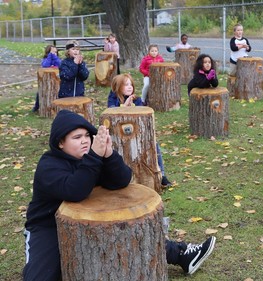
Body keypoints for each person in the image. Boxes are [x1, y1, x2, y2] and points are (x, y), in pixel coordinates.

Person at [23, 110, 216, 280]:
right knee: (41, 275)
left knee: (129, 232)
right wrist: (95, 157)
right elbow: (75, 190)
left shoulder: (91, 158)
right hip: (47, 226)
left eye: (86, 136)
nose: (84, 140)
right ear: (60, 143)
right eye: (76, 137)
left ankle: (181, 254)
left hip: (90, 219)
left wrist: (108, 155)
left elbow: (121, 180)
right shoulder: (49, 165)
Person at [107, 73, 173, 187]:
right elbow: (111, 111)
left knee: (155, 145)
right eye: (126, 84)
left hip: (139, 134)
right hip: (119, 136)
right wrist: (124, 107)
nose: (129, 87)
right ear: (117, 87)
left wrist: (132, 106)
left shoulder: (136, 99)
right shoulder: (113, 98)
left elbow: (141, 113)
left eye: (131, 84)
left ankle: (161, 175)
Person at [32, 45, 61, 112]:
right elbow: (45, 65)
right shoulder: (45, 60)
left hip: (57, 82)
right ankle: (37, 106)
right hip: (47, 82)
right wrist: (50, 56)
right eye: (52, 52)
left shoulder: (57, 59)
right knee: (39, 93)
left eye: (55, 52)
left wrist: (54, 56)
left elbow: (60, 64)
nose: (54, 54)